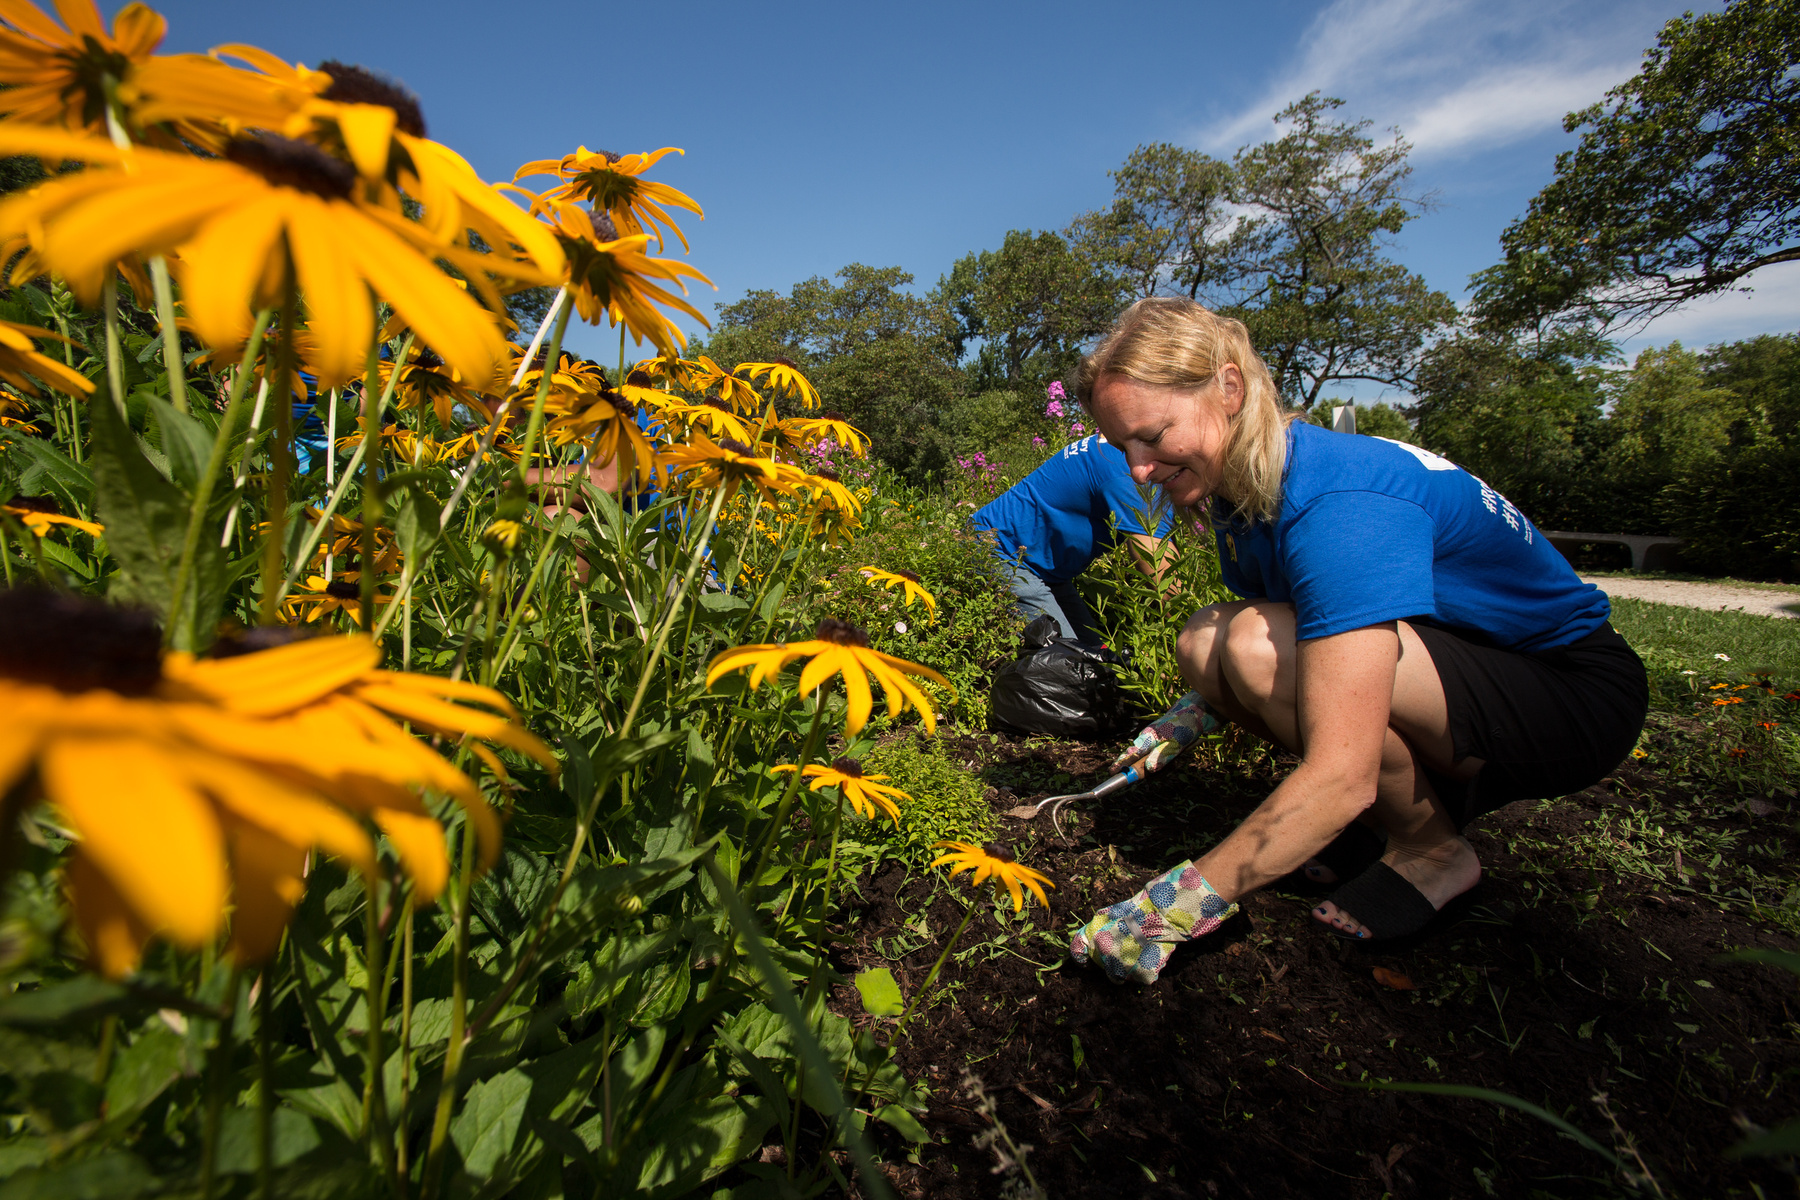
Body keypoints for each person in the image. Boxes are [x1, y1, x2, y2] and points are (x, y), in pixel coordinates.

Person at [1066, 298, 1647, 982]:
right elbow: (1292, 616)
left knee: (1254, 645)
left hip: (1567, 695)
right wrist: (1197, 708)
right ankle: (1397, 817)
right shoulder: (1246, 487)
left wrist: (1171, 907)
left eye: (1154, 435)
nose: (1137, 468)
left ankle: (1432, 850)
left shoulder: (1338, 504)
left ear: (1229, 387)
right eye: (1121, 446)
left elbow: (1338, 771)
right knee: (1206, 640)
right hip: (1462, 661)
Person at [970, 432, 1177, 646]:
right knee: (1067, 660)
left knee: (1095, 652)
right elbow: (1154, 557)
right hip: (1001, 550)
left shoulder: (1123, 445)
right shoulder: (1132, 474)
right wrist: (1189, 627)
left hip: (1044, 565)